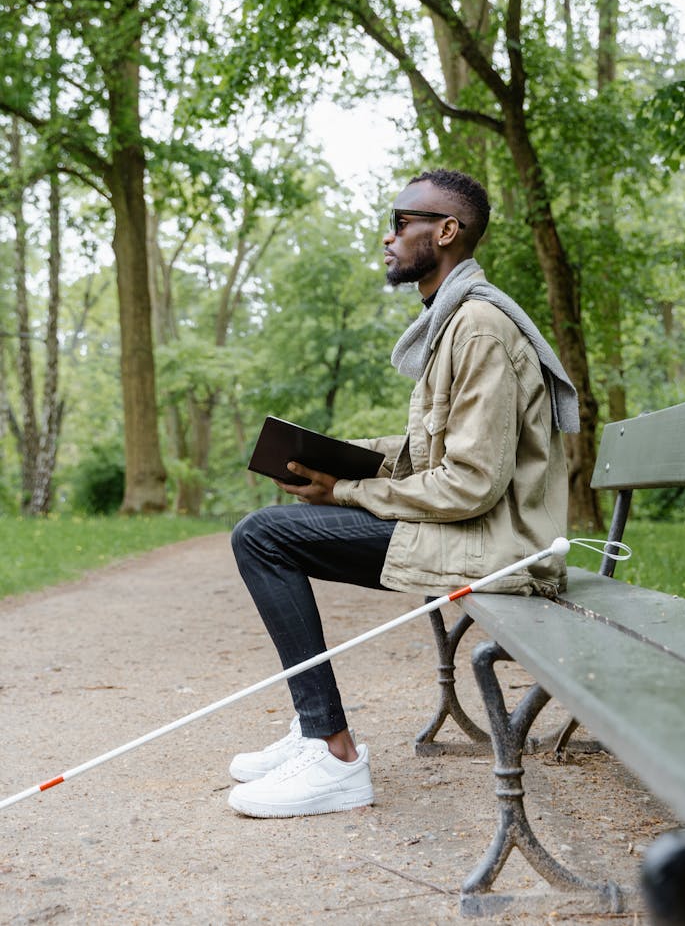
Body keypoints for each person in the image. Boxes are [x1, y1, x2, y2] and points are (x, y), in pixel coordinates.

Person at [228, 167, 579, 819]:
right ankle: (314, 728)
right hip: (474, 530)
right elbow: (430, 450)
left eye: (401, 223)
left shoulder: (477, 328)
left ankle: (332, 754)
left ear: (446, 231)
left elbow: (472, 481)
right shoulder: (451, 322)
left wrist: (351, 491)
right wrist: (336, 460)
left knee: (262, 537)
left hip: (500, 545)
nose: (388, 238)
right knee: (267, 533)